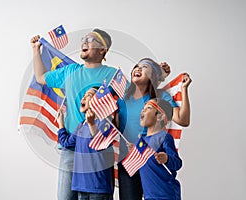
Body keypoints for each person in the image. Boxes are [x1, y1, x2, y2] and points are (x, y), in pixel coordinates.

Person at [30, 28, 117, 200]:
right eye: (84, 38)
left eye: (91, 39)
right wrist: (35, 50)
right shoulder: (70, 71)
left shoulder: (113, 75)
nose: (84, 41)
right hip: (71, 147)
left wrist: (158, 75)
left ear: (103, 50)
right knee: (65, 197)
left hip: (98, 151)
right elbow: (40, 77)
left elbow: (132, 100)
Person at [115, 58, 191, 200]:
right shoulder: (122, 97)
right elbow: (116, 126)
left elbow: (183, 119)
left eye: (144, 67)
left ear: (153, 76)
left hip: (152, 163)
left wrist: (184, 89)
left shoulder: (160, 97)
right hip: (129, 160)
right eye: (136, 66)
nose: (138, 68)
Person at [57, 88, 114, 200]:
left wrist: (92, 124)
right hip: (81, 189)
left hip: (99, 189)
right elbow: (66, 143)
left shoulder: (106, 123)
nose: (83, 97)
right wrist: (61, 123)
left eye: (89, 95)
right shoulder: (81, 126)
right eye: (84, 95)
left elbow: (100, 144)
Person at [138, 98, 182, 199]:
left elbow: (177, 163)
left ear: (160, 116)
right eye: (143, 108)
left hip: (166, 194)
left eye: (148, 108)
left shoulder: (164, 137)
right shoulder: (141, 142)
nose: (143, 110)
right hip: (149, 196)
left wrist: (167, 159)